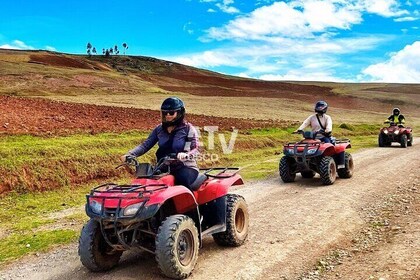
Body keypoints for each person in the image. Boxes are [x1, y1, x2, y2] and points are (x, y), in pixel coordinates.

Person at [121, 97, 200, 189]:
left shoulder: (188, 129)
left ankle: (192, 203)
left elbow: (196, 149)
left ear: (180, 113)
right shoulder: (159, 129)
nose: (168, 115)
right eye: (165, 113)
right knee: (145, 183)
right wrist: (130, 154)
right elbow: (145, 145)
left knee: (181, 181)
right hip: (163, 167)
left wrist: (186, 155)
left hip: (185, 167)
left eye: (171, 113)